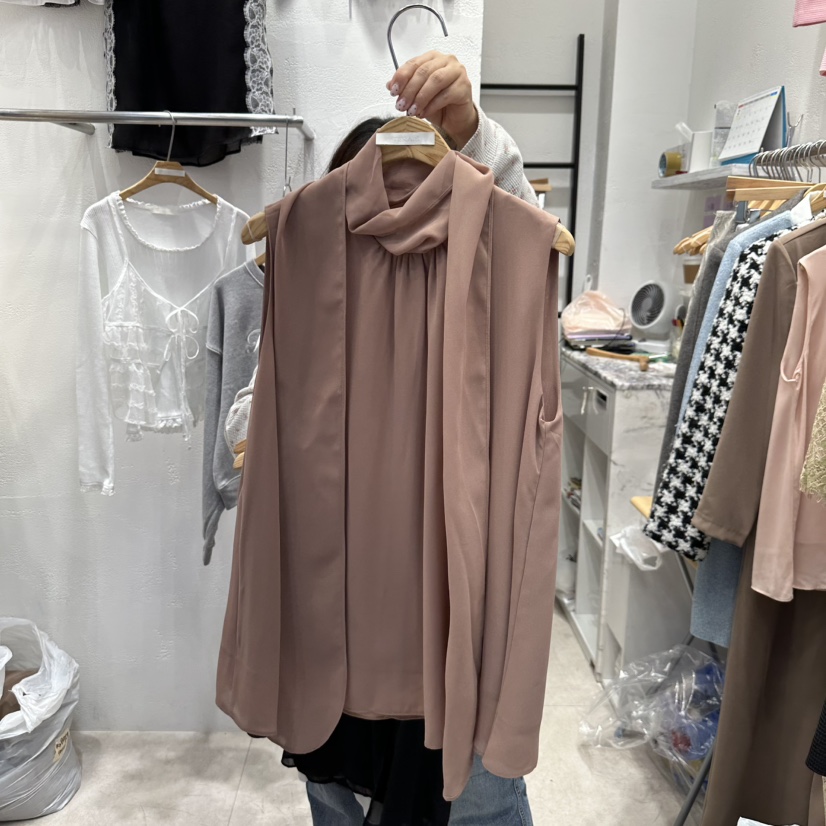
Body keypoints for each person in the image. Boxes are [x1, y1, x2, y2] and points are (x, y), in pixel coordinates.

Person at [228, 52, 544, 826]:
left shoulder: (490, 258)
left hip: (454, 626)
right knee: (343, 794)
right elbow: (248, 418)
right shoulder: (302, 253)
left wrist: (474, 136)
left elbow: (521, 237)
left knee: (473, 800)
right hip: (338, 633)